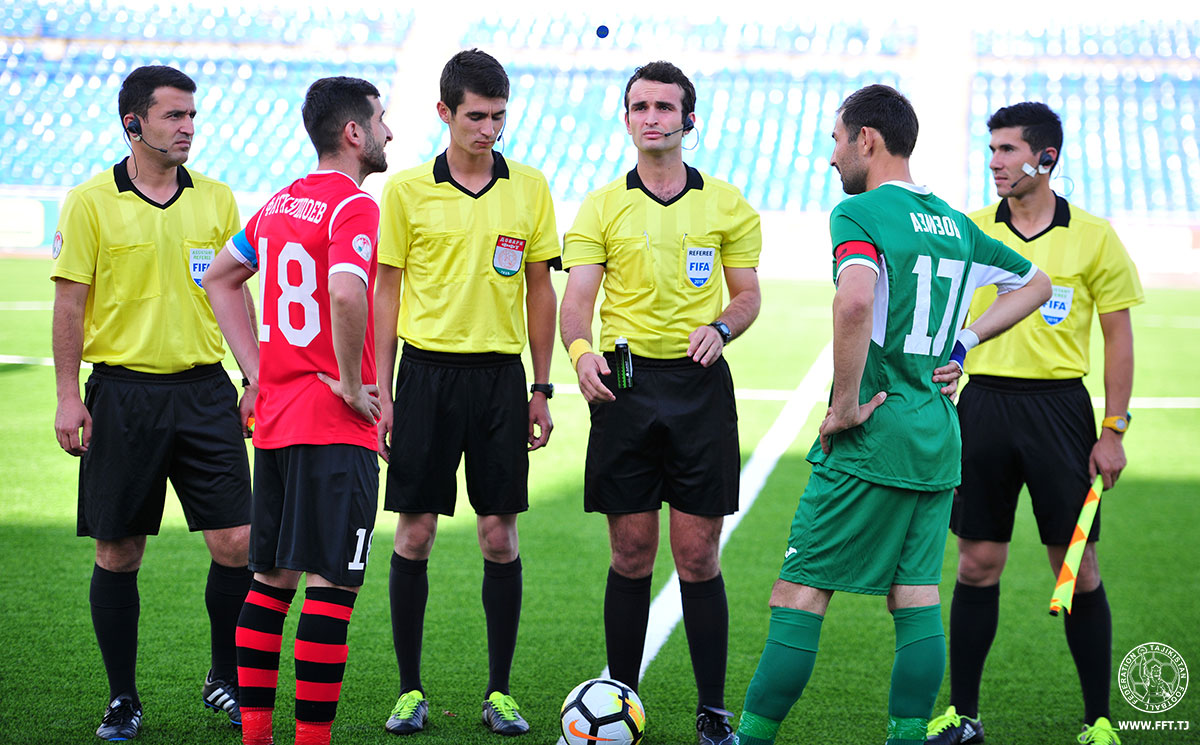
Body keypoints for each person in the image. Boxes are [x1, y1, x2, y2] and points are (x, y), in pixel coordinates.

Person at [733, 84, 1052, 745]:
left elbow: (854, 303)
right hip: (937, 434)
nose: (831, 157)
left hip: (873, 431)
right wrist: (963, 342)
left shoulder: (863, 215)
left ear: (867, 140)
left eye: (836, 139)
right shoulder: (958, 224)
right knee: (915, 596)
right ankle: (907, 736)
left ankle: (751, 737)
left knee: (798, 593)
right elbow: (1037, 283)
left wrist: (843, 406)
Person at [927, 102, 1142, 745]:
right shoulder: (967, 227)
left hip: (1060, 413)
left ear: (1045, 158)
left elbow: (1118, 338)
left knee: (1075, 567)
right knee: (976, 564)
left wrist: (1114, 429)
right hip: (983, 407)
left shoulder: (1094, 236)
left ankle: (1098, 720)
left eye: (1007, 151)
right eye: (990, 150)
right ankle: (963, 716)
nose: (994, 163)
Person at [560, 60, 762, 745]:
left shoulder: (727, 203)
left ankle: (713, 711)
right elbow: (577, 302)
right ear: (626, 119)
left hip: (700, 388)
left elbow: (747, 294)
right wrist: (581, 352)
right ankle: (623, 702)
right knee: (632, 550)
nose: (652, 117)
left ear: (688, 120)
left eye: (664, 107)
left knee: (698, 553)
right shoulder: (600, 205)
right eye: (639, 106)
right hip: (626, 387)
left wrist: (723, 325)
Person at [51, 64, 253, 742]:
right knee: (119, 552)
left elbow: (236, 294)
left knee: (238, 543)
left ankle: (223, 676)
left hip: (205, 391)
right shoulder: (88, 202)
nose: (188, 127)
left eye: (192, 115)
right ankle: (122, 697)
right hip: (122, 394)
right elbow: (70, 303)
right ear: (133, 123)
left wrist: (254, 376)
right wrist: (65, 396)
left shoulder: (218, 199)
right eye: (173, 116)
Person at [202, 75, 391, 745]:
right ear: (353, 133)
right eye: (381, 119)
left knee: (271, 581)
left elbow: (219, 277)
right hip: (335, 428)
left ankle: (256, 737)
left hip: (278, 422)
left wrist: (261, 371)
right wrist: (346, 381)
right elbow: (344, 294)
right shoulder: (354, 207)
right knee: (332, 589)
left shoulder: (279, 204)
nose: (389, 132)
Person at [374, 49, 558, 737]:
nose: (488, 129)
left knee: (498, 534)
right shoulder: (408, 190)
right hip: (423, 376)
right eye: (476, 116)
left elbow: (541, 288)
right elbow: (387, 289)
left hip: (499, 380)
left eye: (499, 117)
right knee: (415, 532)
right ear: (445, 112)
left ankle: (500, 691)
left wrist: (540, 385)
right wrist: (384, 388)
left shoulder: (530, 188)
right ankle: (408, 689)